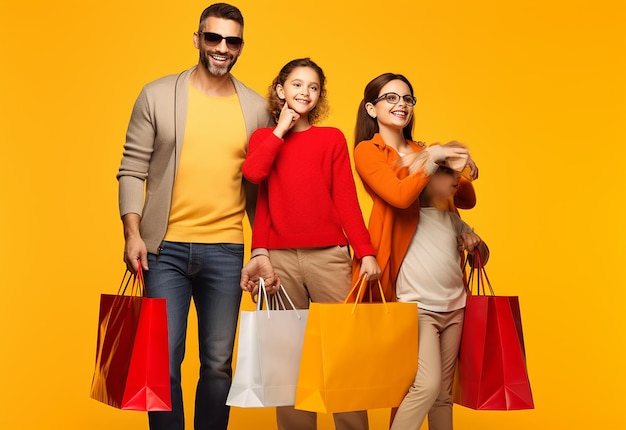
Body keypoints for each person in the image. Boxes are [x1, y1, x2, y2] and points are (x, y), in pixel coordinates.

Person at [116, 4, 274, 430]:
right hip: (162, 251)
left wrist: (263, 247)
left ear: (241, 46)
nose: (223, 48)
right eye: (214, 38)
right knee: (163, 361)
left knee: (219, 364)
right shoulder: (157, 94)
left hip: (226, 250)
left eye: (232, 41)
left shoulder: (256, 109)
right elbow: (132, 167)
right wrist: (133, 233)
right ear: (198, 39)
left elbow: (263, 188)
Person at [240, 58, 381, 430]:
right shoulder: (262, 140)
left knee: (342, 357)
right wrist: (281, 129)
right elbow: (256, 180)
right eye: (298, 84)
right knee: (287, 361)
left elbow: (346, 200)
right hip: (280, 261)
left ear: (319, 96)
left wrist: (364, 252)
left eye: (313, 87)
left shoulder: (330, 138)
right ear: (281, 90)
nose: (305, 92)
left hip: (329, 257)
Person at [352, 73, 485, 430]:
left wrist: (463, 167)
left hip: (452, 295)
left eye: (408, 98)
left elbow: (465, 200)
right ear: (372, 108)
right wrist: (433, 158)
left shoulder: (426, 149)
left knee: (442, 394)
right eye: (391, 97)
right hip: (411, 295)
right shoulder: (369, 151)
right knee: (423, 386)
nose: (401, 104)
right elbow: (399, 195)